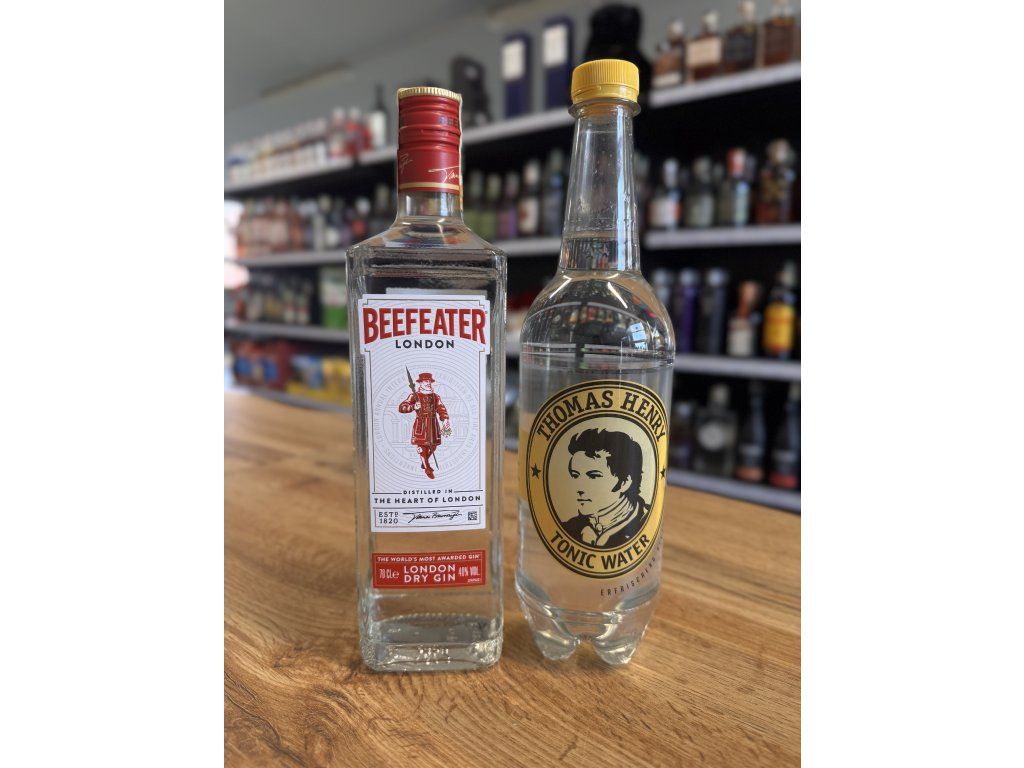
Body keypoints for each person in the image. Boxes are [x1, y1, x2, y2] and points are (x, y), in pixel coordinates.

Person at [561, 427, 649, 548]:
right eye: (575, 475)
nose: (579, 488)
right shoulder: (569, 527)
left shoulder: (646, 521)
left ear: (624, 482)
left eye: (593, 476)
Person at [397, 372, 450, 479]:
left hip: (433, 425)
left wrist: (445, 420)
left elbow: (441, 408)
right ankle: (427, 468)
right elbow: (402, 407)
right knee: (422, 447)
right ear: (420, 383)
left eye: (429, 381)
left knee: (433, 446)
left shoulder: (435, 396)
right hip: (421, 424)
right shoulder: (414, 396)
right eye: (426, 381)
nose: (428, 383)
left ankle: (424, 461)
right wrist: (413, 407)